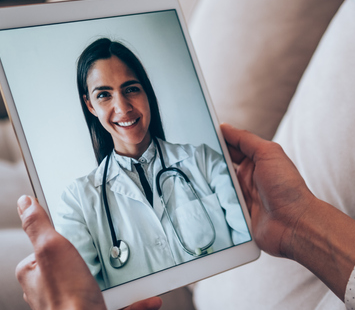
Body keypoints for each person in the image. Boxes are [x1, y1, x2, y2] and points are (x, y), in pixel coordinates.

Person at [57, 38, 249, 289]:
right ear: (90, 105)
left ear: (146, 91)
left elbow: (248, 245)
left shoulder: (204, 162)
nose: (122, 107)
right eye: (104, 95)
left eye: (131, 89)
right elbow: (86, 296)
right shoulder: (76, 202)